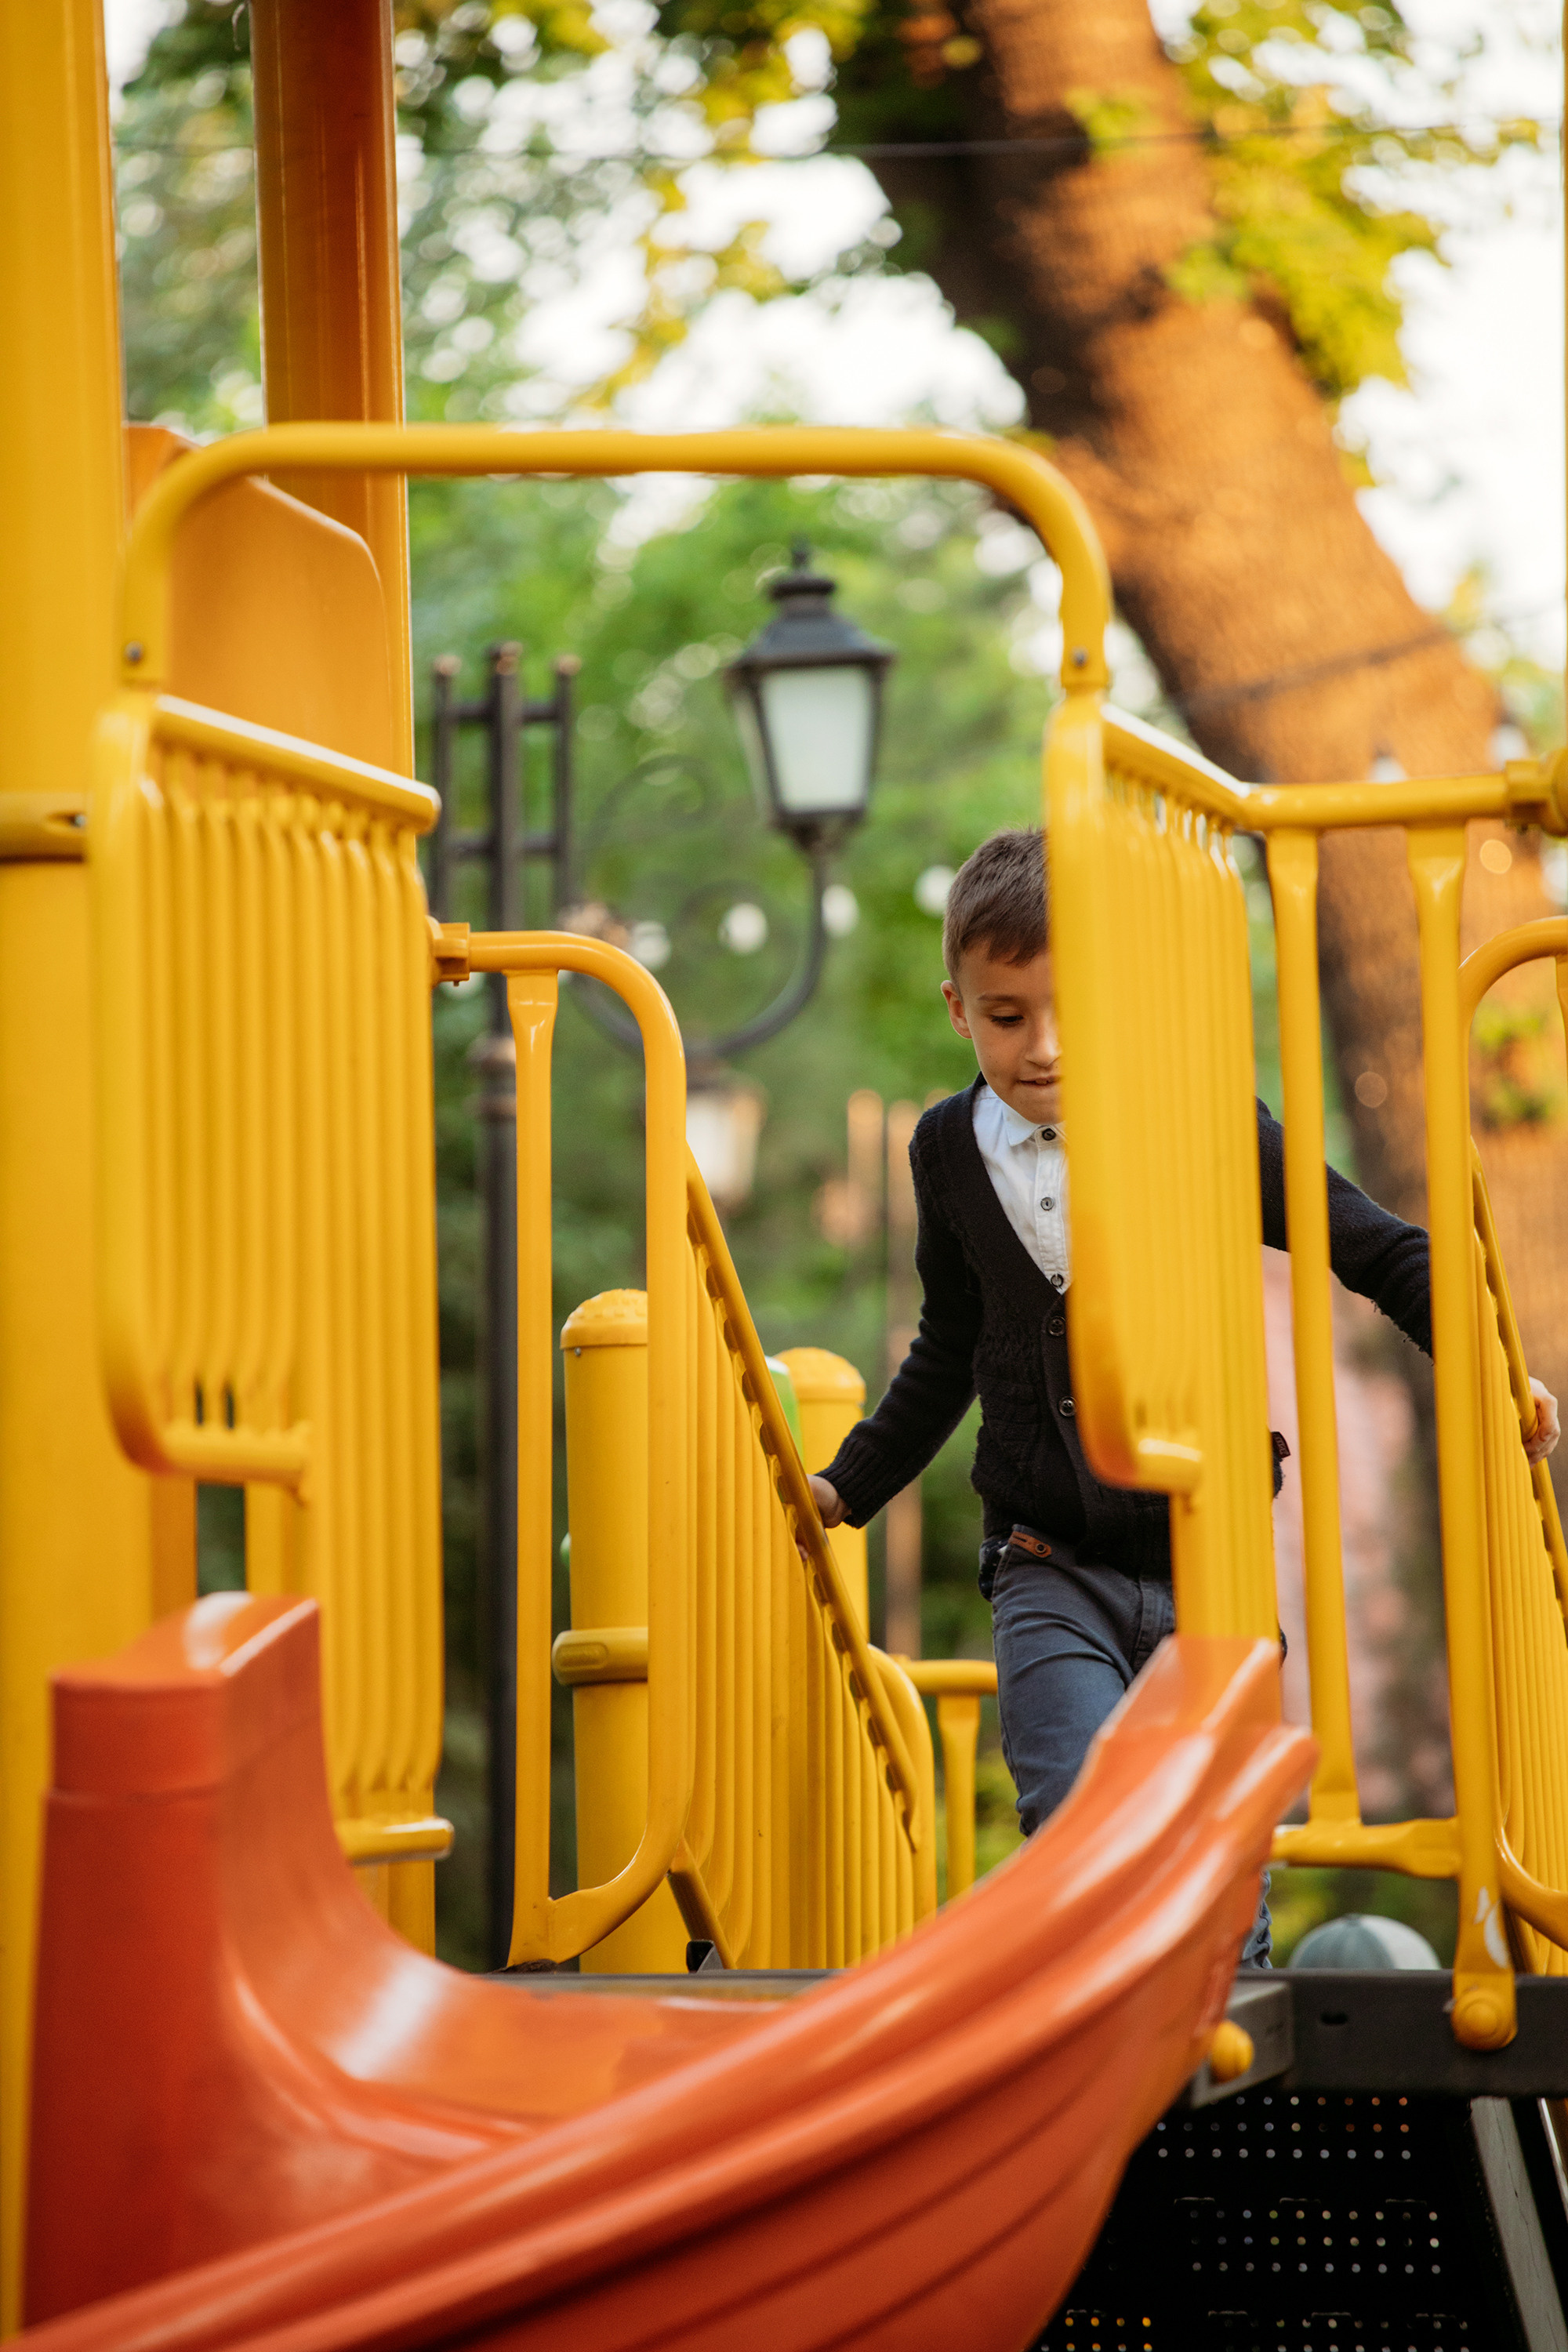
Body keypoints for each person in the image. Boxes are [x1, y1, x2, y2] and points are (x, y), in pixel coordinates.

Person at [808, 826, 1559, 1966]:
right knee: (1074, 1821)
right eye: (1008, 1016)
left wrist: (1491, 1363)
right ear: (959, 1008)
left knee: (1218, 1865)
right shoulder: (945, 1150)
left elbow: (1373, 1248)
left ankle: (1221, 2055)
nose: (1044, 1047)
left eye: (1072, 1010)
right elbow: (950, 1342)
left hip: (1212, 1564)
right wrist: (843, 1487)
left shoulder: (1199, 1123)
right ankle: (1102, 2048)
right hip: (1047, 1560)